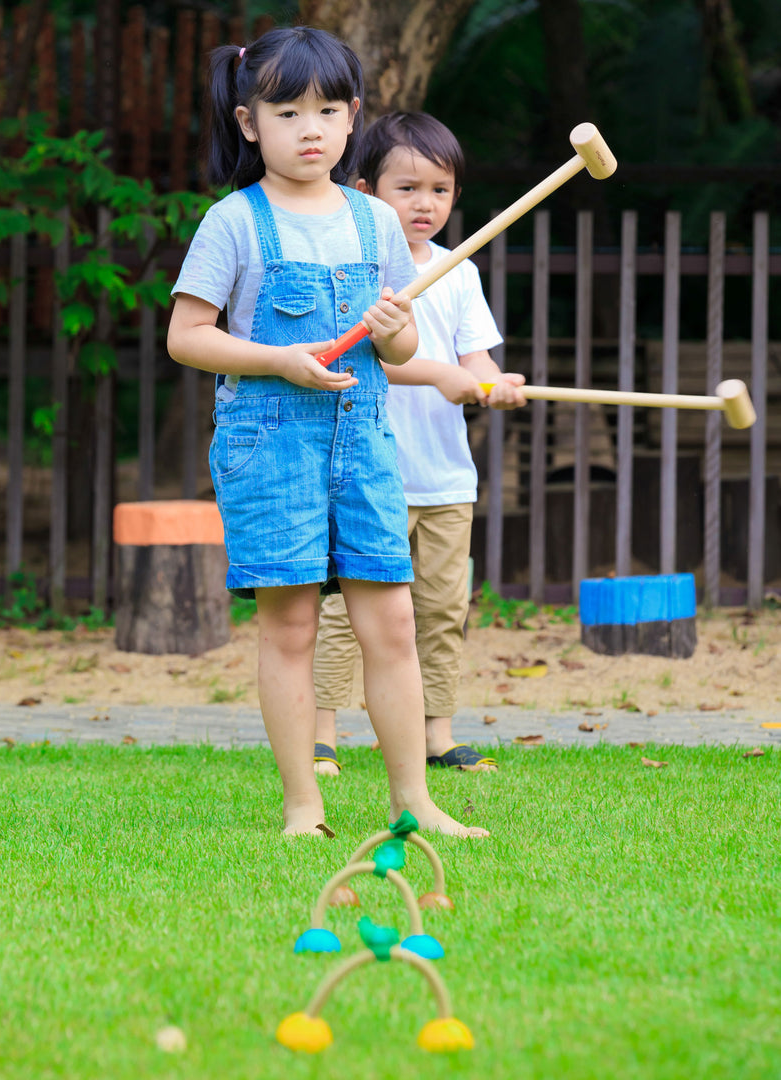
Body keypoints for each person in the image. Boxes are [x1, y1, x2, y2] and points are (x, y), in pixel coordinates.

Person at [166, 28, 490, 838]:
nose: (310, 127)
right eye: (287, 111)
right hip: (270, 445)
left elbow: (405, 348)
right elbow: (188, 337)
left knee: (393, 623)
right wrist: (281, 359)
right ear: (249, 124)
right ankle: (302, 805)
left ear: (352, 122)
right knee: (293, 627)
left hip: (365, 444)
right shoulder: (233, 223)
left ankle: (412, 801)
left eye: (328, 110)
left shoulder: (376, 222)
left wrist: (393, 325)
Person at [312, 111, 526, 778]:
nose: (425, 203)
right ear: (367, 188)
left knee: (440, 610)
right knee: (348, 611)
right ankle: (322, 734)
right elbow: (358, 358)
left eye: (440, 188)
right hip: (370, 471)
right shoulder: (356, 268)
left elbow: (476, 360)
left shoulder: (460, 272)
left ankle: (437, 734)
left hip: (446, 479)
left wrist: (494, 386)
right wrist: (438, 374)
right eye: (407, 188)